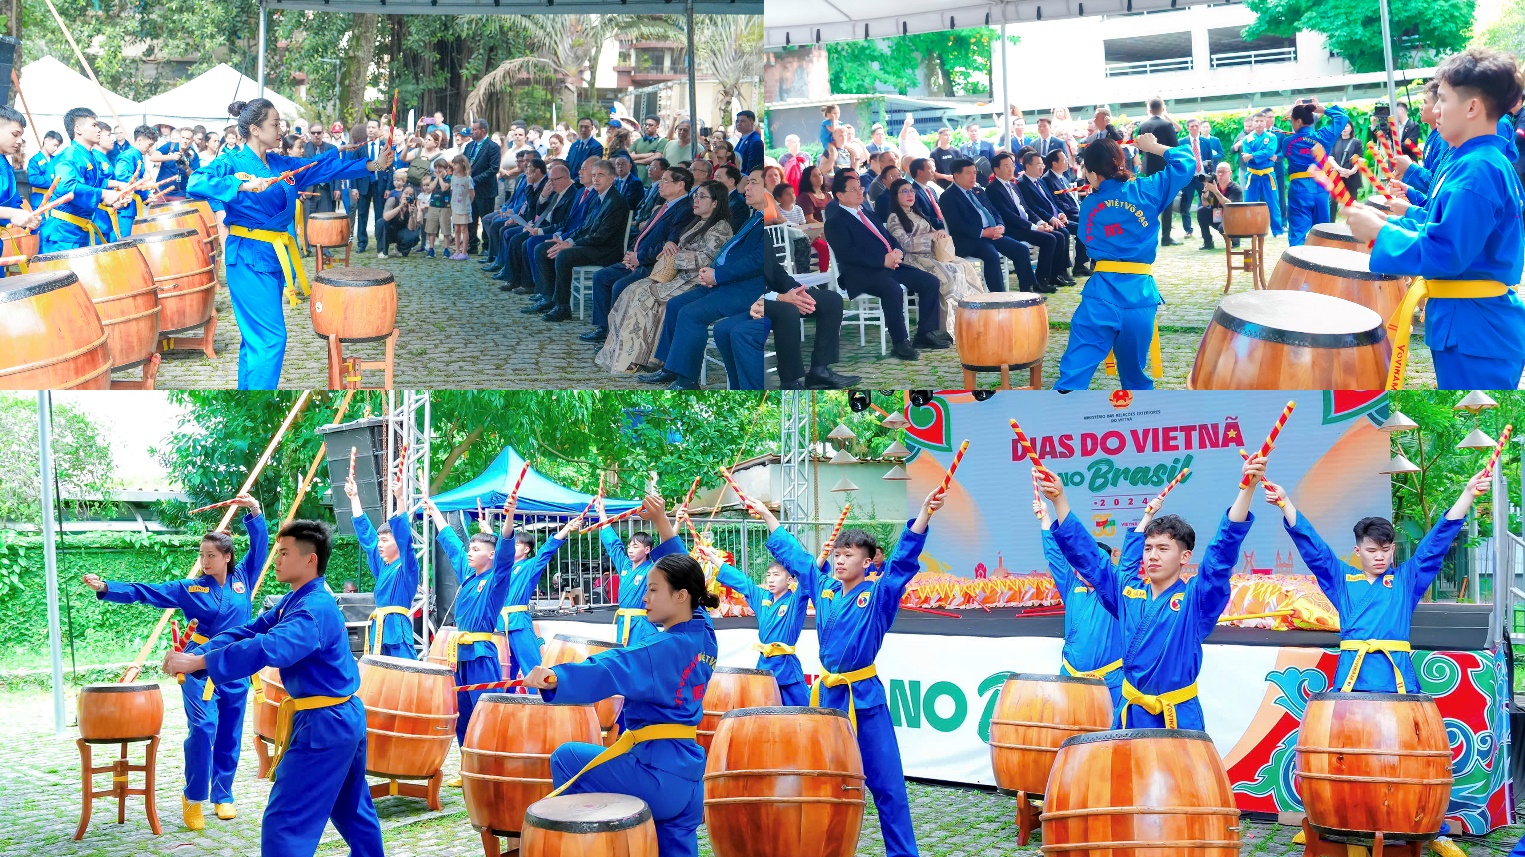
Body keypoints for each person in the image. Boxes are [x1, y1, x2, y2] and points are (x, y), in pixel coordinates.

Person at [163, 520, 384, 857]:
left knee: (286, 821)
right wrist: (198, 653)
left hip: (326, 724)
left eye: (284, 553)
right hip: (337, 719)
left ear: (309, 560)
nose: (276, 559)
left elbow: (269, 647)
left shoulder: (312, 610)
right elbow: (249, 631)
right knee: (353, 810)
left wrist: (197, 664)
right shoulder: (294, 600)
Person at [523, 537, 716, 857]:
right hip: (691, 779)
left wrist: (556, 677)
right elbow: (695, 598)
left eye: (654, 589)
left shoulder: (660, 648)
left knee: (566, 757)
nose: (646, 597)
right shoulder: (705, 637)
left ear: (681, 596)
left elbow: (611, 667)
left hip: (657, 775)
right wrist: (666, 531)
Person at [1345, 47, 1525, 390]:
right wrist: (1391, 224)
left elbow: (1447, 251)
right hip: (1471, 324)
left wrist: (1382, 233)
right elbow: (1439, 226)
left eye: (1442, 99)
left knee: (1476, 436)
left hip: (1477, 331)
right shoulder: (1471, 162)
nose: (1436, 110)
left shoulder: (1477, 171)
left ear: (1472, 107)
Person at [778, 487, 944, 857]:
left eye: (848, 555)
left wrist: (924, 516)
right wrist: (768, 516)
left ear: (867, 563)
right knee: (824, 783)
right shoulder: (824, 590)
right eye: (837, 554)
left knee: (888, 787)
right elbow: (798, 558)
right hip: (828, 701)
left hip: (864, 699)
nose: (839, 561)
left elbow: (901, 564)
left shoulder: (879, 595)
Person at [1042, 453, 1262, 730]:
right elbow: (1091, 559)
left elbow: (1220, 558)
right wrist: (1059, 500)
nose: (1152, 556)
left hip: (1176, 719)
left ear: (1185, 557)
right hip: (1130, 715)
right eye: (1148, 548)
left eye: (1163, 549)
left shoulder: (1194, 600)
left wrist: (1247, 490)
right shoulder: (1127, 594)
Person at [85, 494, 265, 829]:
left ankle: (223, 794)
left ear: (227, 557)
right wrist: (108, 587)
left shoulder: (244, 579)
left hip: (236, 668)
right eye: (201, 555)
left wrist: (253, 510)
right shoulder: (190, 588)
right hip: (196, 668)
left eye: (211, 555)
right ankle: (194, 797)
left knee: (229, 734)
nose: (204, 560)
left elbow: (260, 546)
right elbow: (147, 591)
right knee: (202, 730)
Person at [187, 99, 392, 390]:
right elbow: (196, 181)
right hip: (246, 258)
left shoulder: (282, 164)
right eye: (275, 123)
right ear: (255, 130)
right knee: (271, 340)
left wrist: (372, 164)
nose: (281, 129)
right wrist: (242, 185)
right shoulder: (231, 162)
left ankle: (248, 396)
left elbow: (326, 168)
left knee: (255, 341)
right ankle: (258, 405)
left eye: (281, 123)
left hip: (273, 257)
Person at [1262, 469, 1486, 693]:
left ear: (1393, 550)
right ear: (1357, 551)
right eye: (1371, 550)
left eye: (1385, 550)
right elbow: (1314, 549)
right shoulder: (1342, 579)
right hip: (1352, 679)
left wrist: (1468, 495)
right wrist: (1285, 503)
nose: (1379, 556)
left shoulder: (1405, 581)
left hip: (1396, 679)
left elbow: (1435, 546)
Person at [1054, 133, 1194, 392]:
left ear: (1094, 174)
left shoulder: (1089, 205)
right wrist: (1154, 147)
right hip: (1140, 296)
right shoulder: (1146, 190)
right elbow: (1187, 163)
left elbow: (1086, 237)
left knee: (1072, 376)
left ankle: (1058, 424)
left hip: (1100, 296)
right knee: (1135, 379)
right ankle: (1142, 426)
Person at [635, 177, 764, 389]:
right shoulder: (756, 217)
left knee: (690, 314)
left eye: (753, 183)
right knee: (676, 304)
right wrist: (714, 272)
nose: (746, 188)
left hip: (745, 288)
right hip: (723, 280)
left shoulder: (762, 221)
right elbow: (730, 252)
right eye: (747, 182)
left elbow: (757, 261)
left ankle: (687, 380)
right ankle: (670, 368)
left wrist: (718, 275)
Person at [712, 217, 858, 391]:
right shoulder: (748, 232)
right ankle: (790, 381)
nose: (748, 189)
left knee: (832, 300)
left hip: (774, 293)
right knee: (787, 309)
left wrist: (797, 291)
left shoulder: (763, 232)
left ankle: (820, 371)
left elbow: (777, 272)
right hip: (755, 298)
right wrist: (778, 297)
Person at [596, 175, 722, 371]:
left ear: (715, 203)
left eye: (702, 197)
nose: (695, 200)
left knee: (645, 296)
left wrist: (675, 256)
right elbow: (678, 244)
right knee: (632, 291)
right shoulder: (698, 222)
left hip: (694, 281)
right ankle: (621, 350)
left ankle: (645, 357)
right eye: (696, 196)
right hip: (676, 277)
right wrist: (672, 245)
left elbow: (706, 259)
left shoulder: (721, 228)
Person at [822, 168, 945, 360]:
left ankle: (925, 333)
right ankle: (900, 342)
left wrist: (897, 252)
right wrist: (882, 260)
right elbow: (848, 254)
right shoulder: (835, 221)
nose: (859, 192)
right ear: (839, 195)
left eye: (860, 188)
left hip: (890, 265)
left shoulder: (866, 213)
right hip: (861, 273)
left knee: (930, 281)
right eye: (853, 189)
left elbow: (888, 237)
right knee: (893, 290)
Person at [705, 497, 815, 706]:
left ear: (790, 579)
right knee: (762, 711)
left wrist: (818, 560)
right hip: (764, 665)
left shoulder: (796, 600)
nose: (771, 580)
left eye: (777, 575)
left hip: (786, 667)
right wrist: (714, 558)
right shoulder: (762, 597)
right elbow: (742, 582)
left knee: (799, 715)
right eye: (769, 576)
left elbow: (809, 573)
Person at [1034, 490, 1126, 710]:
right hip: (1071, 678)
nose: (1086, 569)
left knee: (1110, 737)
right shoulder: (1072, 587)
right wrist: (1045, 519)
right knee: (1068, 733)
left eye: (1091, 564)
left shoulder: (1118, 592)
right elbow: (1055, 558)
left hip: (1109, 681)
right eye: (1082, 563)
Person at [585, 166, 695, 342]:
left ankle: (618, 338)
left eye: (665, 181)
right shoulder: (665, 206)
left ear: (680, 184)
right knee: (601, 276)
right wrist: (630, 253)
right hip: (637, 259)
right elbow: (644, 234)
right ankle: (604, 328)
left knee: (620, 286)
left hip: (654, 266)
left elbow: (669, 245)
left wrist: (640, 257)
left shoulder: (685, 210)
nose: (660, 184)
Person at [884, 178, 985, 339]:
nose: (910, 194)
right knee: (951, 274)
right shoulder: (895, 218)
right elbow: (905, 244)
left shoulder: (917, 213)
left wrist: (940, 234)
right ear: (895, 196)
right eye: (904, 191)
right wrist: (930, 236)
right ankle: (947, 326)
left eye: (911, 190)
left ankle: (970, 319)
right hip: (913, 259)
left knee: (964, 267)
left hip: (932, 254)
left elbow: (933, 235)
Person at [494, 509, 583, 680]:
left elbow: (546, 551)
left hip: (518, 622)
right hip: (500, 624)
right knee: (504, 672)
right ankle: (505, 704)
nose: (511, 548)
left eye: (516, 545)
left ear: (526, 549)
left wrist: (566, 529)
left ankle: (541, 703)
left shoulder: (530, 566)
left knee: (533, 667)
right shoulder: (502, 568)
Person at [539, 159, 631, 322]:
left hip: (607, 250)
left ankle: (563, 307)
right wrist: (568, 240)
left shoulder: (615, 201)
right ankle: (550, 298)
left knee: (564, 256)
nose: (595, 179)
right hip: (593, 245)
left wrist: (571, 245)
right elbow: (585, 227)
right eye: (594, 175)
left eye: (600, 175)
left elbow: (601, 236)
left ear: (611, 178)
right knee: (547, 249)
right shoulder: (598, 197)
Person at [346, 472, 418, 660]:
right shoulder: (383, 565)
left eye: (384, 540)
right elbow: (367, 537)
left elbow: (405, 539)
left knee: (403, 678)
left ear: (396, 543)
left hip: (397, 630)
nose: (379, 544)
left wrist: (400, 499)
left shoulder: (407, 567)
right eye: (380, 540)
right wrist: (354, 498)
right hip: (379, 629)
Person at [941, 158, 1036, 294]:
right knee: (992, 255)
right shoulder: (948, 196)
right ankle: (998, 296)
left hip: (992, 234)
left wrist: (1000, 226)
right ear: (956, 175)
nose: (973, 176)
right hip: (970, 239)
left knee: (1020, 249)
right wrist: (983, 233)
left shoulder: (978, 191)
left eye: (974, 172)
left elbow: (994, 211)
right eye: (968, 173)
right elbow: (957, 225)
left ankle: (1027, 290)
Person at [38, 107, 127, 251]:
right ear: (78, 129)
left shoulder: (90, 156)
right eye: (94, 125)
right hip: (64, 233)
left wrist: (113, 198)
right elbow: (67, 187)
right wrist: (103, 194)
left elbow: (95, 184)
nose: (98, 129)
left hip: (81, 228)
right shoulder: (68, 156)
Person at [988, 151, 1072, 290]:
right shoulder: (993, 189)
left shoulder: (1013, 185)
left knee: (1057, 235)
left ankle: (1047, 277)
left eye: (1012, 165)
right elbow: (1007, 215)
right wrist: (1034, 227)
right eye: (1006, 166)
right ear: (996, 170)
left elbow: (1026, 209)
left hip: (1025, 225)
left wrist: (1041, 222)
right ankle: (1040, 281)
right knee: (1049, 239)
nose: (1011, 169)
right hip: (1013, 229)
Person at [595, 497, 662, 646]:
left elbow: (668, 552)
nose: (630, 550)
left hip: (641, 624)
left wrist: (674, 524)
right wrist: (602, 513)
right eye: (629, 547)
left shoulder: (653, 569)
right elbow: (613, 546)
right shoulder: (625, 565)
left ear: (647, 550)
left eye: (635, 547)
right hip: (623, 621)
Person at [1282, 98, 1349, 246]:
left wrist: (1295, 106)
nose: (1291, 124)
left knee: (1298, 233)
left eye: (1292, 121)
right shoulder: (1324, 136)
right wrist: (1323, 109)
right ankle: (1321, 265)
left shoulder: (1288, 142)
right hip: (1321, 187)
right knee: (1322, 232)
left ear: (1298, 122)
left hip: (1299, 189)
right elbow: (1343, 117)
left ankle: (1297, 265)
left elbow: (1288, 147)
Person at [1136, 98, 1182, 244]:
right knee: (1167, 201)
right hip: (1164, 168)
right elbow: (1175, 147)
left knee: (1150, 202)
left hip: (1148, 168)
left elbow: (1139, 147)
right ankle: (1166, 237)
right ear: (1162, 109)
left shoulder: (1143, 126)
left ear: (1149, 110)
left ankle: (1148, 236)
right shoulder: (1166, 125)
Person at [342, 120, 390, 256]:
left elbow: (389, 168)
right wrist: (354, 188)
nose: (370, 130)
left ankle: (381, 244)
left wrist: (388, 187)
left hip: (379, 184)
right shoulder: (360, 147)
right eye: (368, 127)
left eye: (373, 127)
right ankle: (362, 243)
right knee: (362, 215)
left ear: (379, 130)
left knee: (379, 215)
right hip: (363, 184)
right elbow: (354, 168)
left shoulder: (384, 146)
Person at [1176, 119, 1223, 241]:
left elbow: (1209, 160)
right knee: (1186, 203)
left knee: (1207, 202)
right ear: (1188, 128)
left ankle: (1208, 227)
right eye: (1192, 126)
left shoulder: (1205, 142)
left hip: (1203, 177)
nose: (1195, 128)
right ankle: (1188, 230)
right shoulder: (1182, 142)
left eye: (1197, 126)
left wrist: (1210, 176)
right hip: (1189, 177)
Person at [1240, 113, 1284, 237]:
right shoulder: (1247, 139)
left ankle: (1277, 230)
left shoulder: (1272, 137)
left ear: (1265, 123)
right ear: (1253, 123)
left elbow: (1270, 152)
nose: (1259, 123)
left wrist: (1253, 155)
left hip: (1268, 175)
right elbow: (1246, 157)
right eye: (1257, 121)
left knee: (1273, 203)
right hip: (1252, 175)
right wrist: (1259, 156)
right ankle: (1249, 230)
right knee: (1249, 203)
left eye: (1261, 121)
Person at [465, 119, 501, 255]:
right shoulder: (469, 146)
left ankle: (487, 247)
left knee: (485, 218)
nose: (472, 132)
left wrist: (475, 180)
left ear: (483, 131)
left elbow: (494, 168)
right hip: (469, 190)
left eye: (474, 129)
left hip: (485, 189)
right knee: (471, 218)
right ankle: (472, 244)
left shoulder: (493, 147)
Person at [1197, 162, 1244, 251]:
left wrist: (1216, 191)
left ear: (1230, 173)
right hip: (1218, 216)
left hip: (1232, 219)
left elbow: (1229, 205)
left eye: (1223, 172)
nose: (1220, 174)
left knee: (1222, 228)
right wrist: (1205, 190)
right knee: (1201, 211)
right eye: (1218, 172)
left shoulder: (1235, 189)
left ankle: (1235, 241)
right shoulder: (1215, 186)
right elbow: (1205, 203)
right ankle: (1208, 242)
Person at [381, 171, 423, 256]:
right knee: (380, 223)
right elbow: (385, 217)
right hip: (390, 229)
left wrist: (411, 214)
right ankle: (382, 251)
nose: (407, 196)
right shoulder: (392, 200)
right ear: (401, 194)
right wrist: (400, 206)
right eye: (406, 193)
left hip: (402, 232)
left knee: (414, 236)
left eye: (410, 195)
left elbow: (411, 229)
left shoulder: (412, 207)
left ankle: (400, 250)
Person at [1329, 122, 1364, 221]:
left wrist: (1351, 172)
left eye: (1347, 126)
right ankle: (1330, 225)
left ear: (1351, 128)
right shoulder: (1335, 141)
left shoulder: (1357, 142)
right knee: (1332, 202)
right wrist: (1339, 169)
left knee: (1352, 201)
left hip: (1351, 176)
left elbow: (1360, 159)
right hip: (1337, 176)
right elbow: (1331, 158)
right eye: (1342, 126)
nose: (1344, 128)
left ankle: (1352, 225)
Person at [447, 152, 474, 260]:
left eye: (456, 164)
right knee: (456, 228)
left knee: (464, 228)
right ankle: (457, 250)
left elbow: (472, 193)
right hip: (455, 206)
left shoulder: (468, 179)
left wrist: (468, 203)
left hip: (464, 206)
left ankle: (464, 251)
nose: (454, 167)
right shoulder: (453, 177)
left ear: (462, 164)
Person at [27, 130, 63, 209]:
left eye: (57, 146)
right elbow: (33, 179)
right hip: (39, 200)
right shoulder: (35, 160)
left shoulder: (56, 160)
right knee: (40, 220)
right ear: (46, 140)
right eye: (54, 145)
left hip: (54, 199)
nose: (55, 148)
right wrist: (53, 180)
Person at [733, 110, 763, 174]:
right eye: (737, 121)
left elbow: (752, 167)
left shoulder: (755, 142)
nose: (739, 124)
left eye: (743, 121)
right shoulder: (743, 138)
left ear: (752, 123)